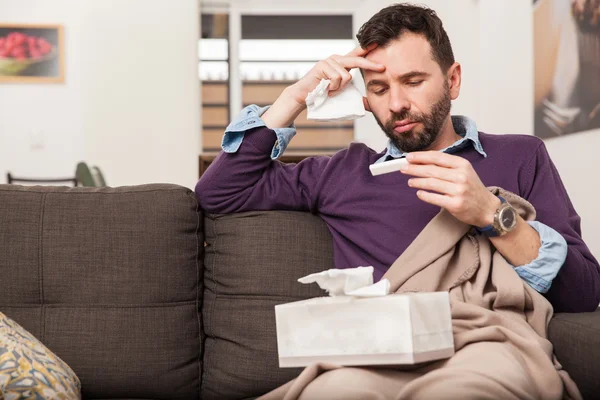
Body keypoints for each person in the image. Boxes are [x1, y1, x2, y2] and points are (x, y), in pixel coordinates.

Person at [195, 3, 600, 314]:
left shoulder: (521, 155)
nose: (398, 104)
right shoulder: (342, 172)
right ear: (365, 98)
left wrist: (493, 215)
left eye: (413, 81)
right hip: (379, 353)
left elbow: (582, 294)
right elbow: (218, 193)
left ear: (452, 80)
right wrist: (296, 96)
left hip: (481, 346)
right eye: (380, 88)